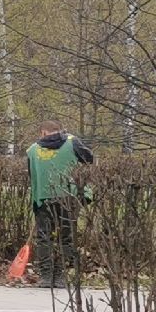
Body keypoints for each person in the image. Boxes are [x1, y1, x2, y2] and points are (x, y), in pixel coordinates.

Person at [26, 118, 94, 288]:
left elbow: (32, 176)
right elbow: (90, 160)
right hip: (69, 196)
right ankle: (61, 276)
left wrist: (35, 200)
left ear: (43, 132)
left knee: (44, 237)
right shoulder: (73, 142)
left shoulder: (32, 150)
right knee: (66, 237)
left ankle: (46, 277)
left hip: (43, 197)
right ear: (60, 130)